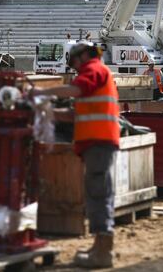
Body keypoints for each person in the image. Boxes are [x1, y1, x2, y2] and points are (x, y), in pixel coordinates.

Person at [30, 41, 119, 268]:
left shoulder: (94, 69)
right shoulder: (97, 75)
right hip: (97, 143)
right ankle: (99, 247)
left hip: (99, 142)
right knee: (96, 193)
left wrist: (42, 93)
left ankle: (103, 252)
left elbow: (77, 90)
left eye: (75, 63)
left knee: (99, 194)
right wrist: (49, 112)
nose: (76, 69)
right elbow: (74, 114)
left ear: (81, 57)